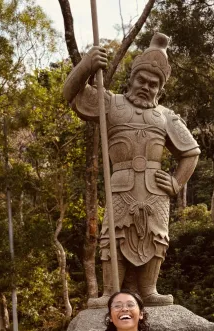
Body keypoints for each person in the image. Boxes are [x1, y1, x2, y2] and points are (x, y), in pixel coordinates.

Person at [63, 33, 200, 308]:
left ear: (160, 90)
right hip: (121, 185)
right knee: (114, 235)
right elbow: (70, 94)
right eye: (142, 80)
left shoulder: (165, 116)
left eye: (153, 84)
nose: (146, 87)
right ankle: (110, 292)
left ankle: (149, 290)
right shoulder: (111, 104)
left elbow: (191, 152)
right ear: (131, 79)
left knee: (155, 235)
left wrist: (176, 183)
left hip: (155, 189)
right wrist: (87, 65)